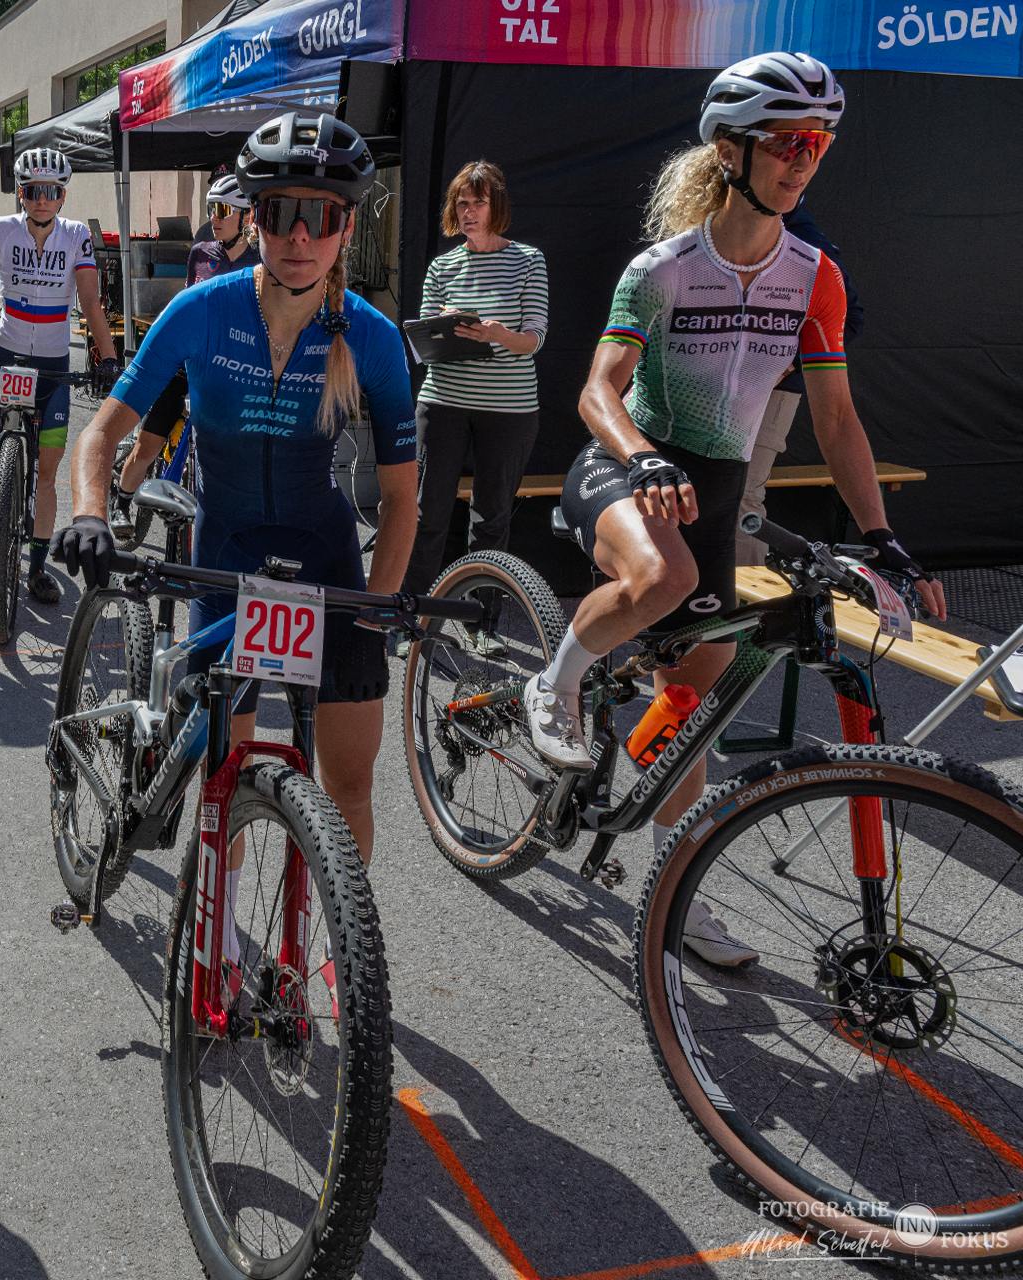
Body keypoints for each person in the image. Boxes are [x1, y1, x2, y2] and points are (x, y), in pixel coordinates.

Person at [529, 52, 945, 967]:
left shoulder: (814, 276)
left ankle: (675, 888)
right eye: (787, 141)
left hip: (712, 495)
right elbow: (597, 392)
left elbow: (837, 420)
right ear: (731, 150)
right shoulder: (664, 268)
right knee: (662, 575)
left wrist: (883, 538)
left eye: (818, 144)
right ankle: (553, 682)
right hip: (624, 465)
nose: (804, 160)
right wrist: (641, 460)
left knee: (691, 711)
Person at [54, 112, 419, 901]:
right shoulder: (203, 310)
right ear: (254, 219)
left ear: (346, 226)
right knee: (226, 776)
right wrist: (88, 511)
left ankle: (330, 943)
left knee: (349, 785)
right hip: (226, 555)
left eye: (320, 216)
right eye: (281, 212)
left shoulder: (372, 337)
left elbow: (400, 499)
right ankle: (214, 930)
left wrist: (379, 607)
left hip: (329, 563)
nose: (300, 235)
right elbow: (102, 434)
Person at [0, 147, 120, 606]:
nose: (42, 199)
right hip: (5, 354)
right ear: (21, 193)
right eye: (34, 190)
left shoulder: (76, 236)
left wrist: (109, 358)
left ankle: (37, 568)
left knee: (46, 474)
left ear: (63, 197)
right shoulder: (2, 229)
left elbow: (90, 302)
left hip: (53, 364)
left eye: (52, 191)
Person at [405, 161, 549, 616]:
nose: (468, 212)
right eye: (461, 203)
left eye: (478, 203)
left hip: (509, 409)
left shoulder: (528, 260)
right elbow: (423, 342)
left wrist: (496, 334)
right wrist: (445, 326)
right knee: (427, 514)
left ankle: (480, 621)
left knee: (490, 519)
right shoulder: (442, 266)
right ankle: (414, 615)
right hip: (443, 401)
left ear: (496, 206)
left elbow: (534, 339)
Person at [107, 171, 260, 541]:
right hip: (185, 367)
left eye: (222, 211)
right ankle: (121, 501)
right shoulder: (200, 254)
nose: (214, 219)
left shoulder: (260, 265)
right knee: (148, 445)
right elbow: (186, 309)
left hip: (228, 374)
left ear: (245, 216)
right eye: (210, 209)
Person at [733, 200, 861, 565]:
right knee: (703, 492)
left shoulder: (807, 244)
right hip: (717, 385)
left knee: (742, 498)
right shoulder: (725, 235)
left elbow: (851, 319)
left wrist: (787, 362)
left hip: (770, 393)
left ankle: (743, 597)